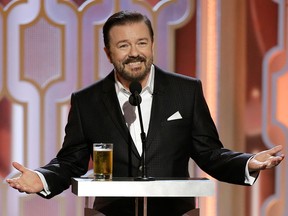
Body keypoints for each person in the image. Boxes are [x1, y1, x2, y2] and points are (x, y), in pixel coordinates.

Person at [6, 10, 284, 216]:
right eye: (123, 45)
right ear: (108, 52)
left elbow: (209, 152)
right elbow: (71, 162)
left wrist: (246, 163)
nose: (134, 53)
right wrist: (42, 178)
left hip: (175, 211)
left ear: (152, 44)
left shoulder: (186, 91)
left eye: (141, 42)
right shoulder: (87, 101)